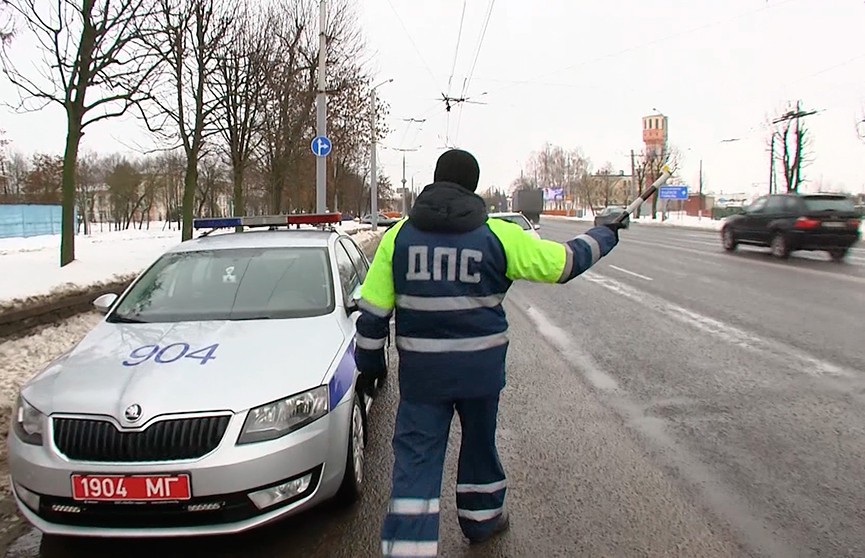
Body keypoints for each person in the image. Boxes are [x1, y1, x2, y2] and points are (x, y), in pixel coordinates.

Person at [354, 149, 624, 557]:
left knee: (416, 461)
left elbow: (373, 316)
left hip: (423, 380)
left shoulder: (398, 238)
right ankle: (481, 521)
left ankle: (408, 549)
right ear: (474, 186)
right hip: (481, 376)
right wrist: (606, 232)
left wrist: (370, 366)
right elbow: (563, 263)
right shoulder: (498, 235)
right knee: (480, 445)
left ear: (436, 179)